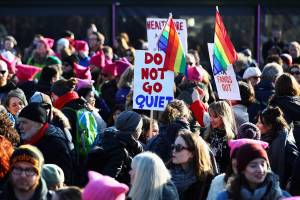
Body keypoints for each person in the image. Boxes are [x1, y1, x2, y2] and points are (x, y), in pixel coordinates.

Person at [17, 102, 73, 185]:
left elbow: (65, 176)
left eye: (24, 122)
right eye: (20, 122)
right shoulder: (25, 140)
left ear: (39, 124)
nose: (20, 126)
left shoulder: (55, 144)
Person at [86, 110, 143, 185]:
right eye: (140, 128)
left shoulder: (111, 137)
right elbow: (108, 182)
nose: (141, 131)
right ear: (135, 130)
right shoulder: (120, 149)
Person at [216, 143, 290, 199]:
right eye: (253, 166)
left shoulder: (283, 196)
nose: (260, 170)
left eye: (263, 164)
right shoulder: (225, 197)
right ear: (242, 169)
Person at [256, 106, 299, 188]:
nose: (256, 125)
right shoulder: (263, 138)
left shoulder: (287, 144)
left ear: (270, 126)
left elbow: (295, 168)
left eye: (260, 123)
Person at [169, 130, 214, 200]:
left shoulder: (207, 180)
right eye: (173, 147)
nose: (174, 151)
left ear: (192, 153)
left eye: (178, 147)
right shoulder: (164, 174)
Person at [204, 101, 236, 173]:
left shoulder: (232, 137)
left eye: (215, 116)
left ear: (224, 116)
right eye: (210, 116)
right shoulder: (207, 132)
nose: (211, 120)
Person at [269, 73, 300, 148]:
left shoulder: (273, 106)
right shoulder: (297, 103)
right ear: (294, 87)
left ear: (277, 87)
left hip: (280, 147)